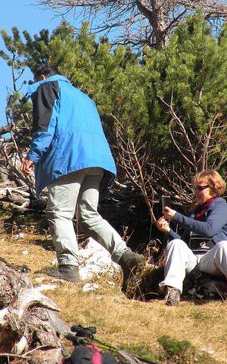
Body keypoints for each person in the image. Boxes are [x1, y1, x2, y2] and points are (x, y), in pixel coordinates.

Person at [20, 65, 143, 283]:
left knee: (60, 213)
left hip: (69, 157)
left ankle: (68, 266)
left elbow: (45, 126)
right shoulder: (84, 97)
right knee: (88, 215)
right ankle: (126, 256)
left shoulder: (47, 87)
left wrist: (33, 155)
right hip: (97, 160)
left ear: (41, 77)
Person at [155, 170, 227, 306]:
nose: (196, 192)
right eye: (195, 188)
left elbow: (209, 229)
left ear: (214, 188)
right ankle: (172, 292)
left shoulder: (220, 206)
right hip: (194, 262)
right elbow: (183, 245)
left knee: (225, 246)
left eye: (200, 188)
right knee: (175, 243)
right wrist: (168, 231)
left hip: (212, 261)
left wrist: (177, 217)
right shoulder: (195, 212)